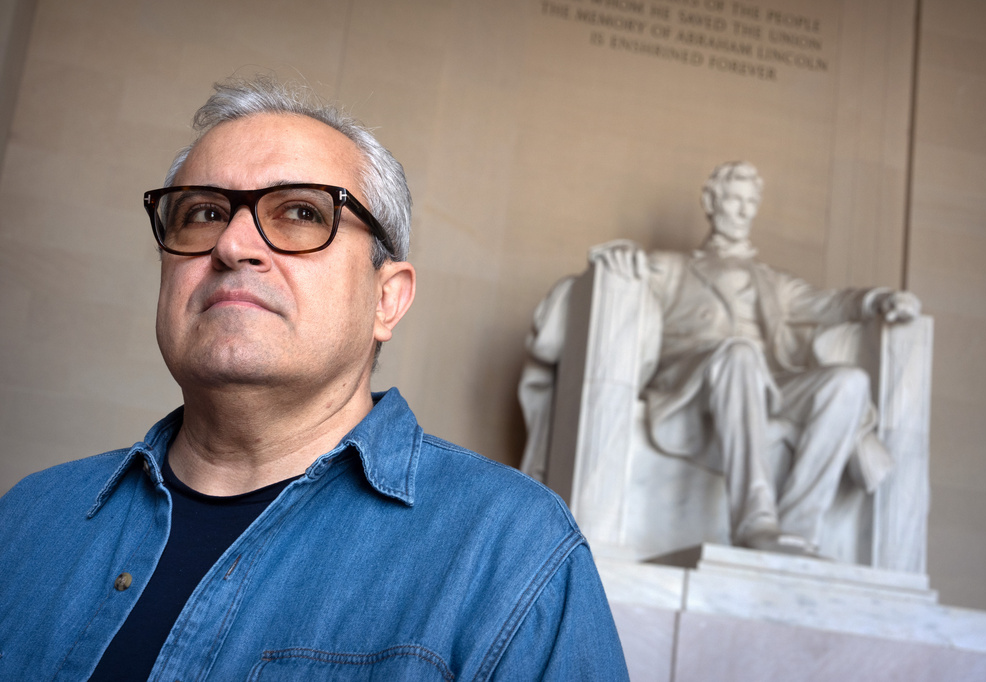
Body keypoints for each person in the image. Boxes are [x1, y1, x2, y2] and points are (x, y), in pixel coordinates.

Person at [0, 76, 628, 680]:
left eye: (299, 212)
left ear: (387, 300)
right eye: (202, 213)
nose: (233, 246)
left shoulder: (512, 551)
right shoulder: (29, 518)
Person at [524, 161, 920, 557]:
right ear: (711, 203)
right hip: (691, 383)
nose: (745, 211)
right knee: (740, 351)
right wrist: (620, 253)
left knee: (848, 383)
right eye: (735, 200)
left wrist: (878, 301)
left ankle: (799, 529)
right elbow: (625, 269)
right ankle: (756, 520)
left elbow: (831, 304)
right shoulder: (674, 267)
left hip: (764, 386)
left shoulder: (773, 282)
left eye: (752, 202)